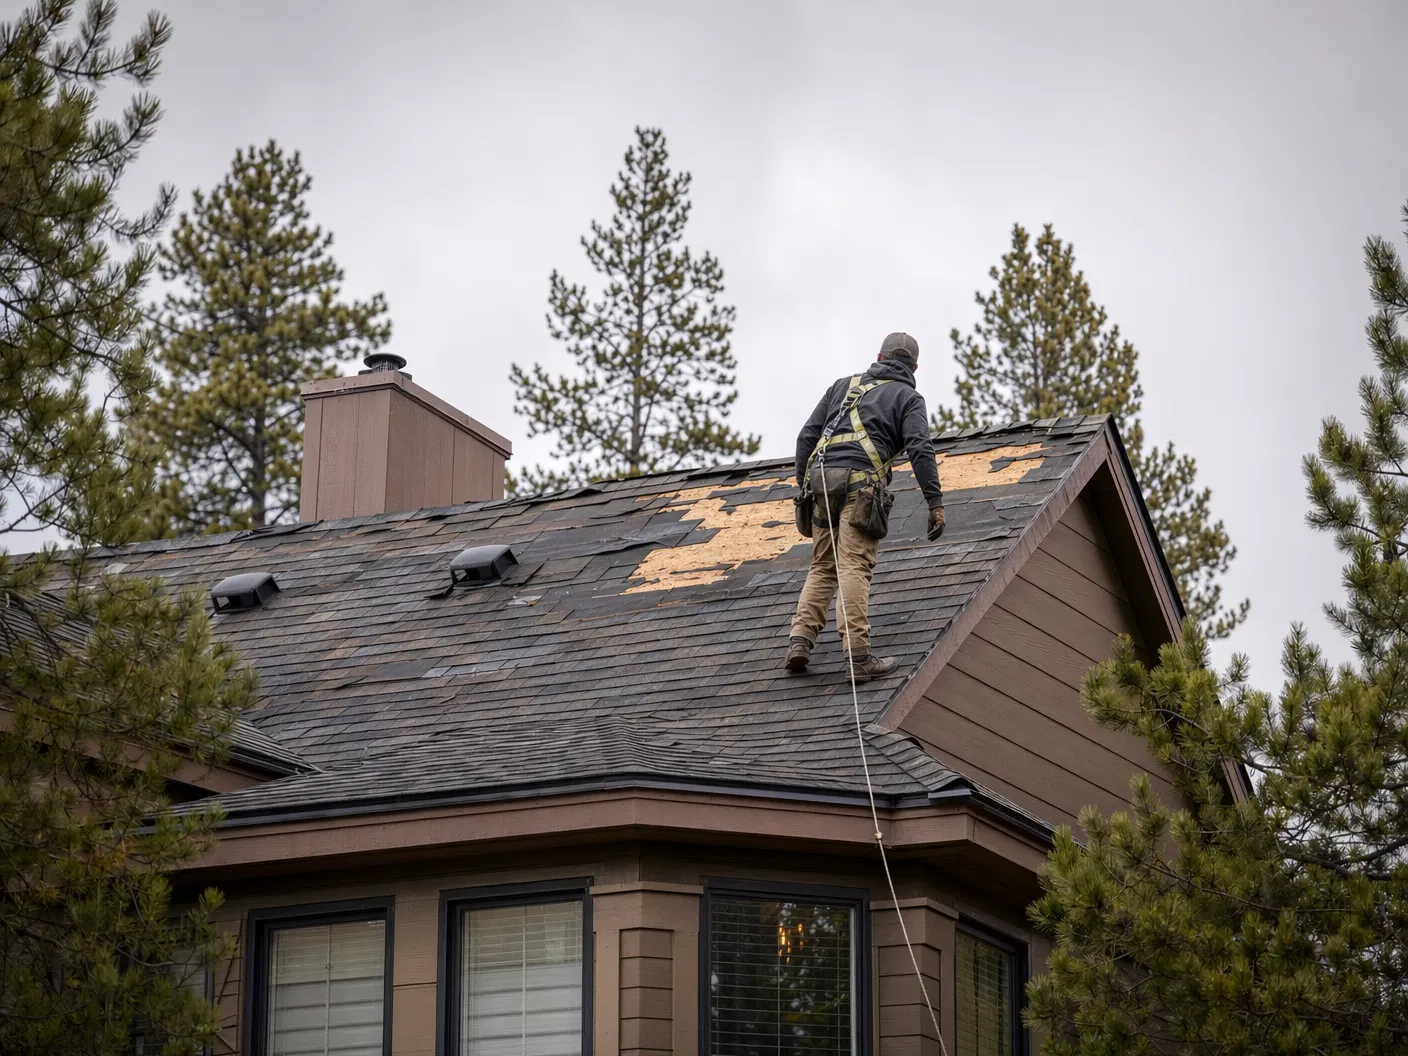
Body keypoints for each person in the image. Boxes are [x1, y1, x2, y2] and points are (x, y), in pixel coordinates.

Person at [785, 331, 946, 680]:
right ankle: (858, 659)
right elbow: (920, 448)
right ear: (914, 366)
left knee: (822, 566)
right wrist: (934, 502)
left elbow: (806, 437)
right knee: (854, 566)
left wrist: (803, 483)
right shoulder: (908, 398)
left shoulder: (842, 386)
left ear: (880, 357)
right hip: (862, 489)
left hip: (820, 485)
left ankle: (799, 642)